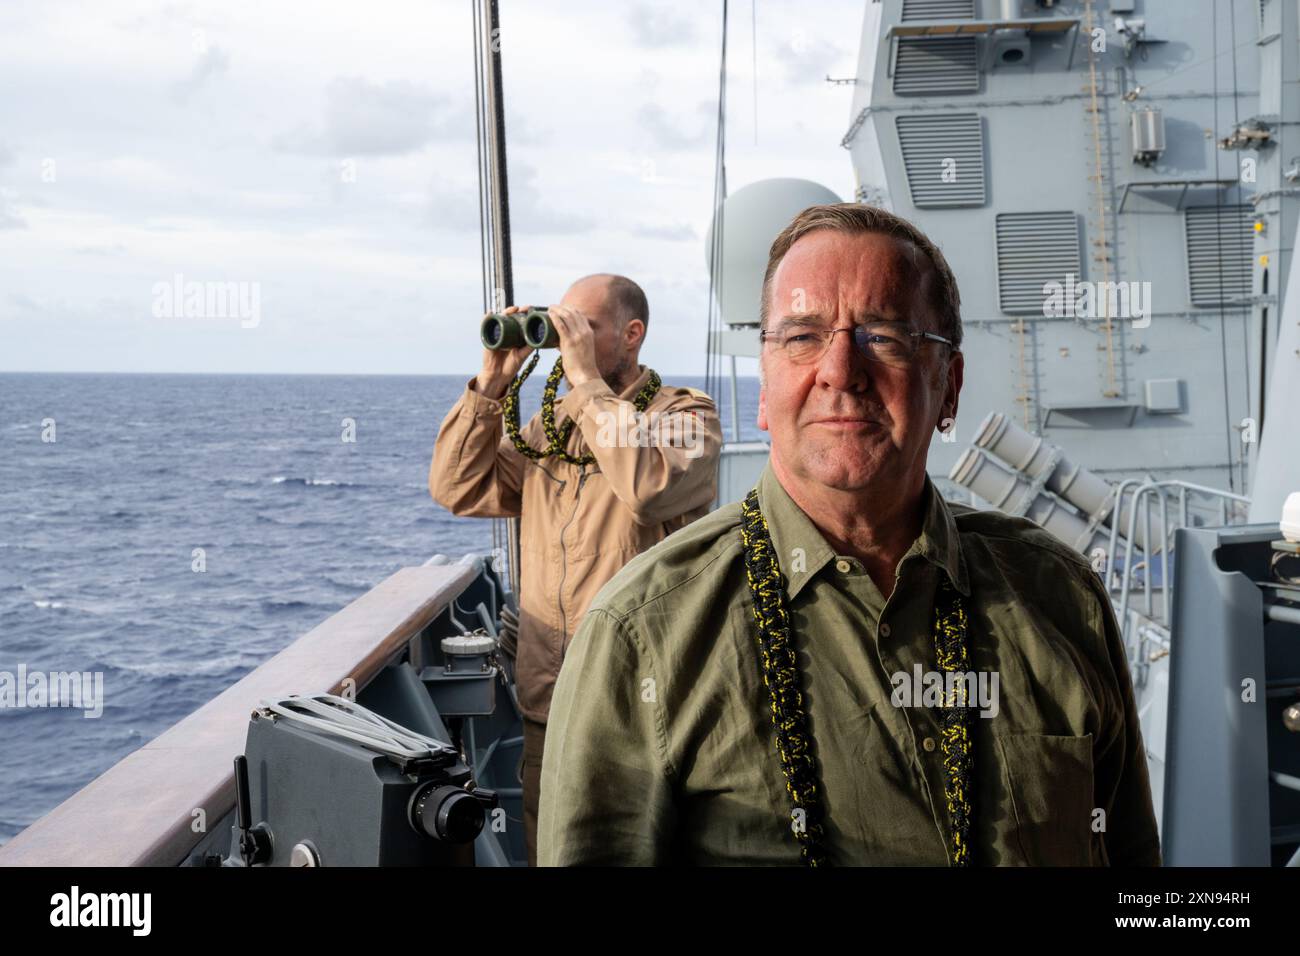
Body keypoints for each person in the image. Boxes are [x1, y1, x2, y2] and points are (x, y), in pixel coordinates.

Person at [537, 205, 1161, 866]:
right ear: (765, 384)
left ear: (948, 387)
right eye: (803, 337)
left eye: (885, 336)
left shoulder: (1059, 597)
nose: (840, 369)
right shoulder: (642, 634)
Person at [429, 272, 723, 865]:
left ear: (632, 334)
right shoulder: (552, 429)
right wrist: (492, 381)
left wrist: (586, 381)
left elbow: (646, 484)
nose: (567, 343)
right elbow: (456, 487)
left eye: (582, 327)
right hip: (551, 703)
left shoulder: (687, 416)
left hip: (644, 706)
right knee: (554, 851)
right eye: (560, 326)